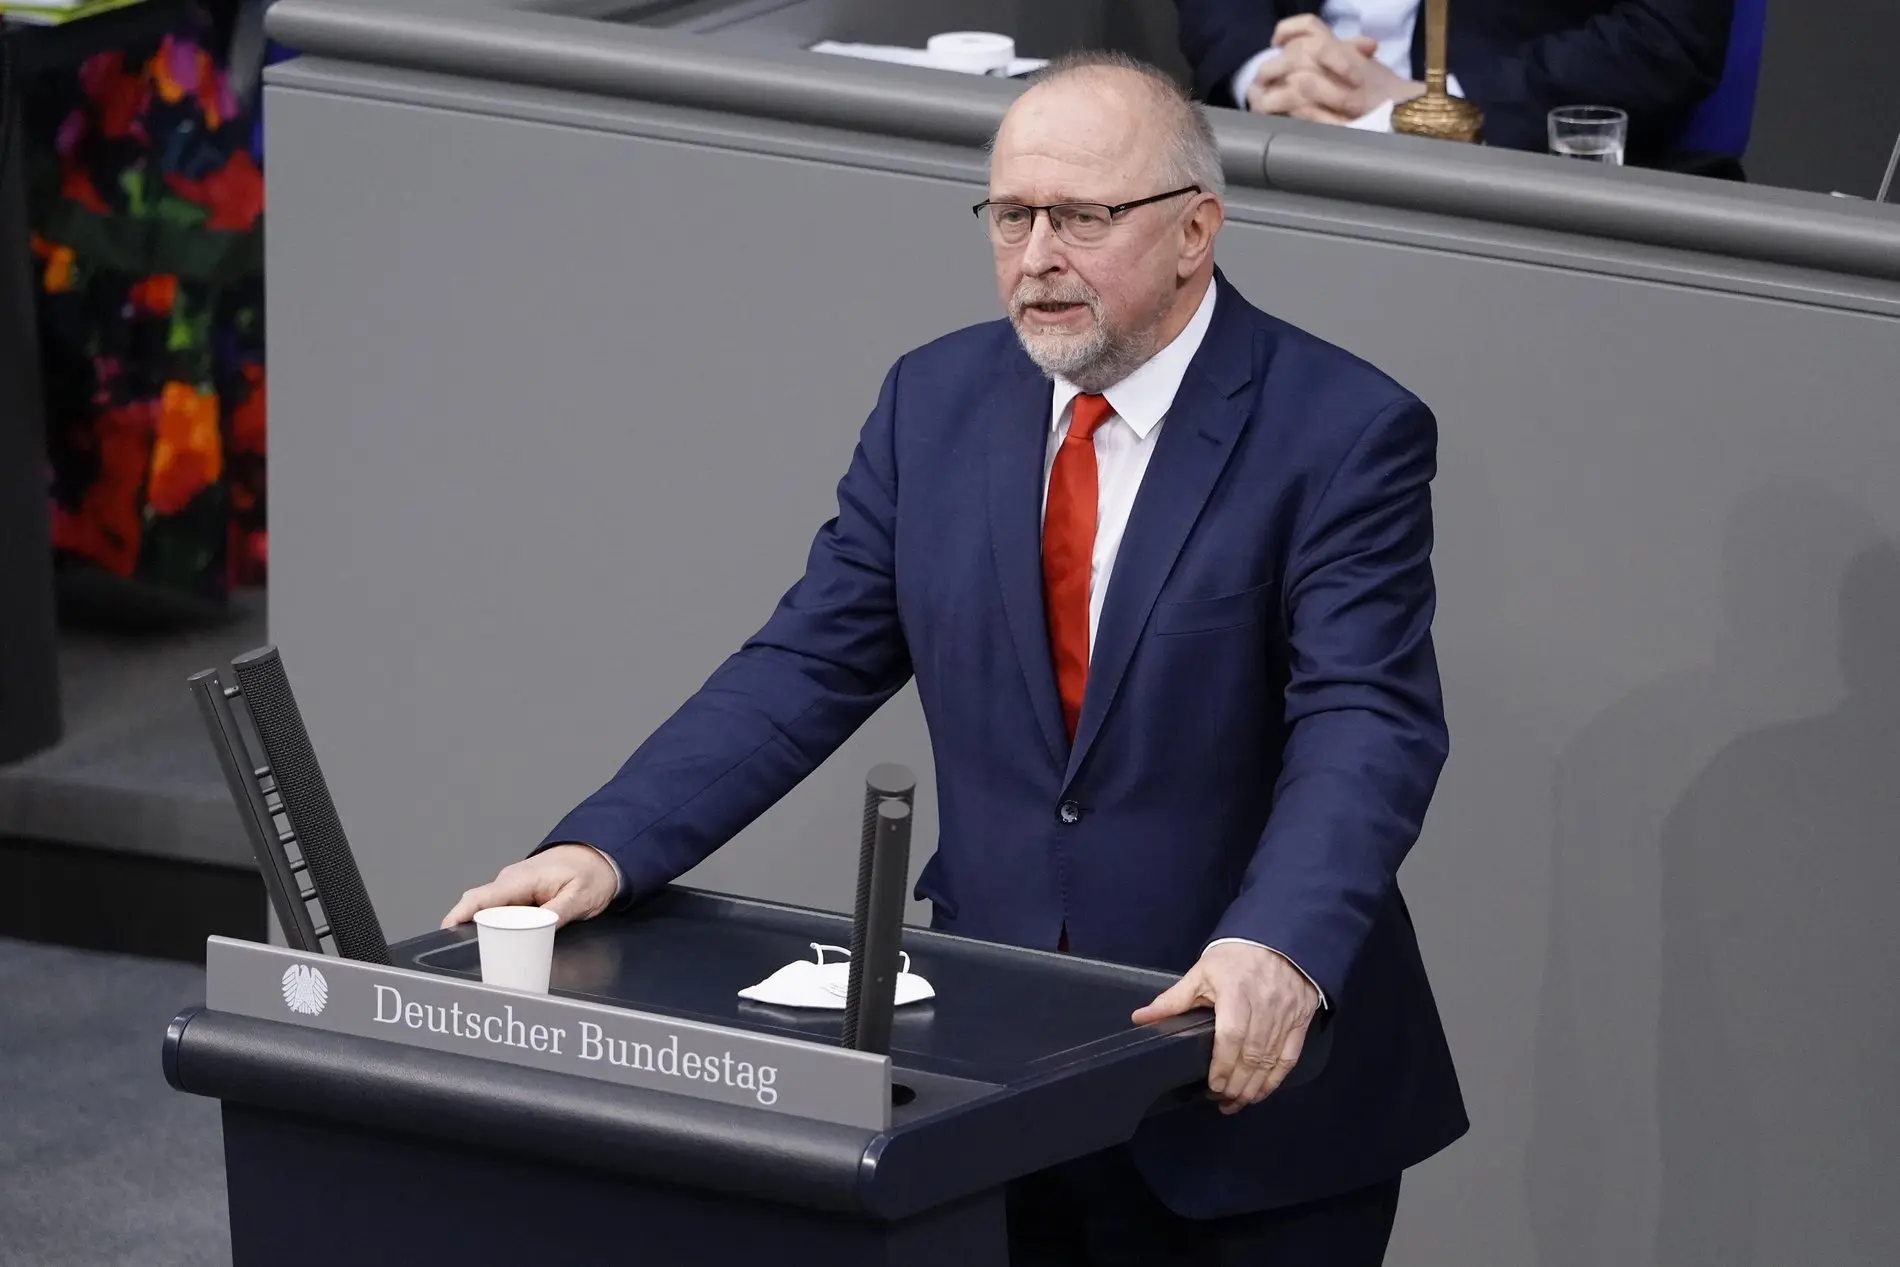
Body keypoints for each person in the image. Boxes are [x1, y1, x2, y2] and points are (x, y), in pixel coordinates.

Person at [444, 50, 1466, 1266]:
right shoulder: (934, 403)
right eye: (1010, 214)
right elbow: (805, 663)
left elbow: (1366, 722)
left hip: (1242, 1086)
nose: (1036, 256)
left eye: (1080, 217)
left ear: (1196, 231)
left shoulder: (1341, 431)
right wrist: (601, 843)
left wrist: (1281, 942)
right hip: (989, 1079)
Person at [1175, 0, 1733, 162]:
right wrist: (1265, 76)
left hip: (1506, 161)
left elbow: (1670, 32)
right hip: (1271, 136)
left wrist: (1433, 105)